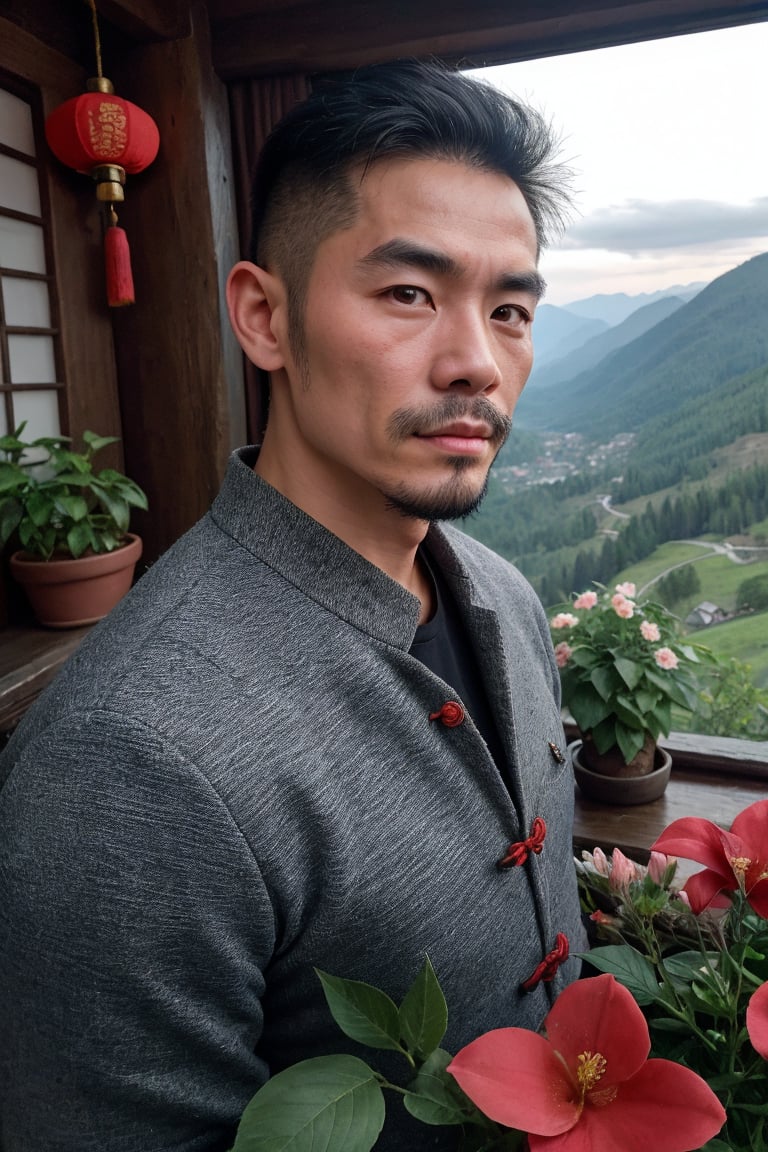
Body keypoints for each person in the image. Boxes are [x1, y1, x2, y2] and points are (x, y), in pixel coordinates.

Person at [0, 59, 587, 1151]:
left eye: (510, 308)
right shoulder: (131, 762)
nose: (477, 362)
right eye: (409, 293)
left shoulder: (500, 594)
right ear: (263, 318)